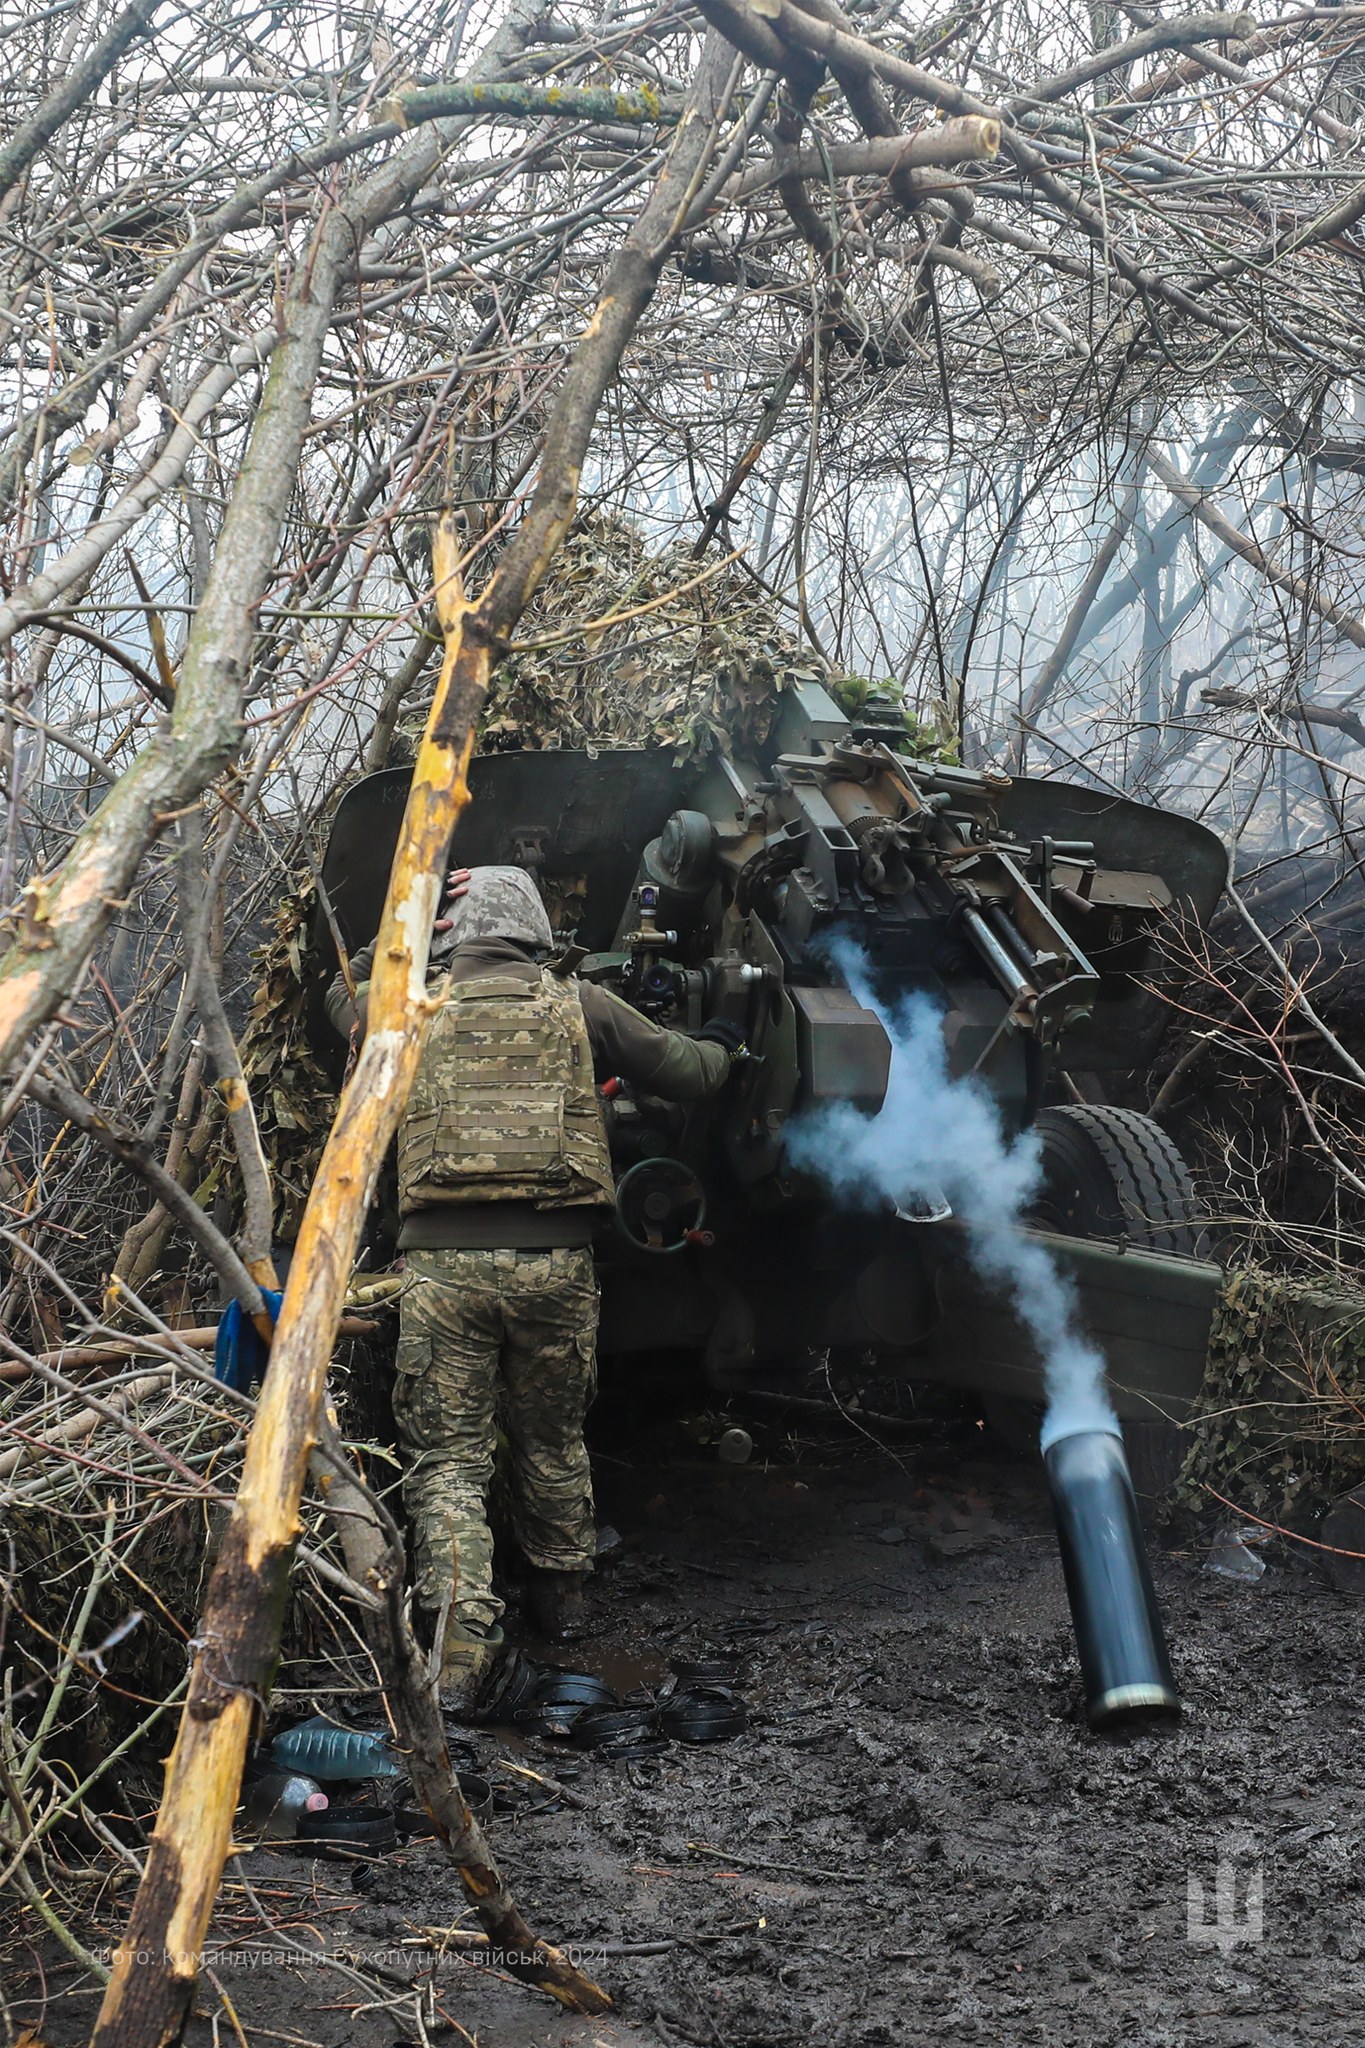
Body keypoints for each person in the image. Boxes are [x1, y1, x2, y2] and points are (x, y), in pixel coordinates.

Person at [326, 863, 740, 1707]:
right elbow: (695, 1074)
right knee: (552, 1435)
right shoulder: (577, 1001)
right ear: (537, 932)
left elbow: (341, 994)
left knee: (447, 1458)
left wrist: (401, 919)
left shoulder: (409, 1003)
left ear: (455, 934)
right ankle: (563, 1601)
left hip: (442, 1270)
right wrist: (728, 1032)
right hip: (558, 1267)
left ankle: (460, 1649)